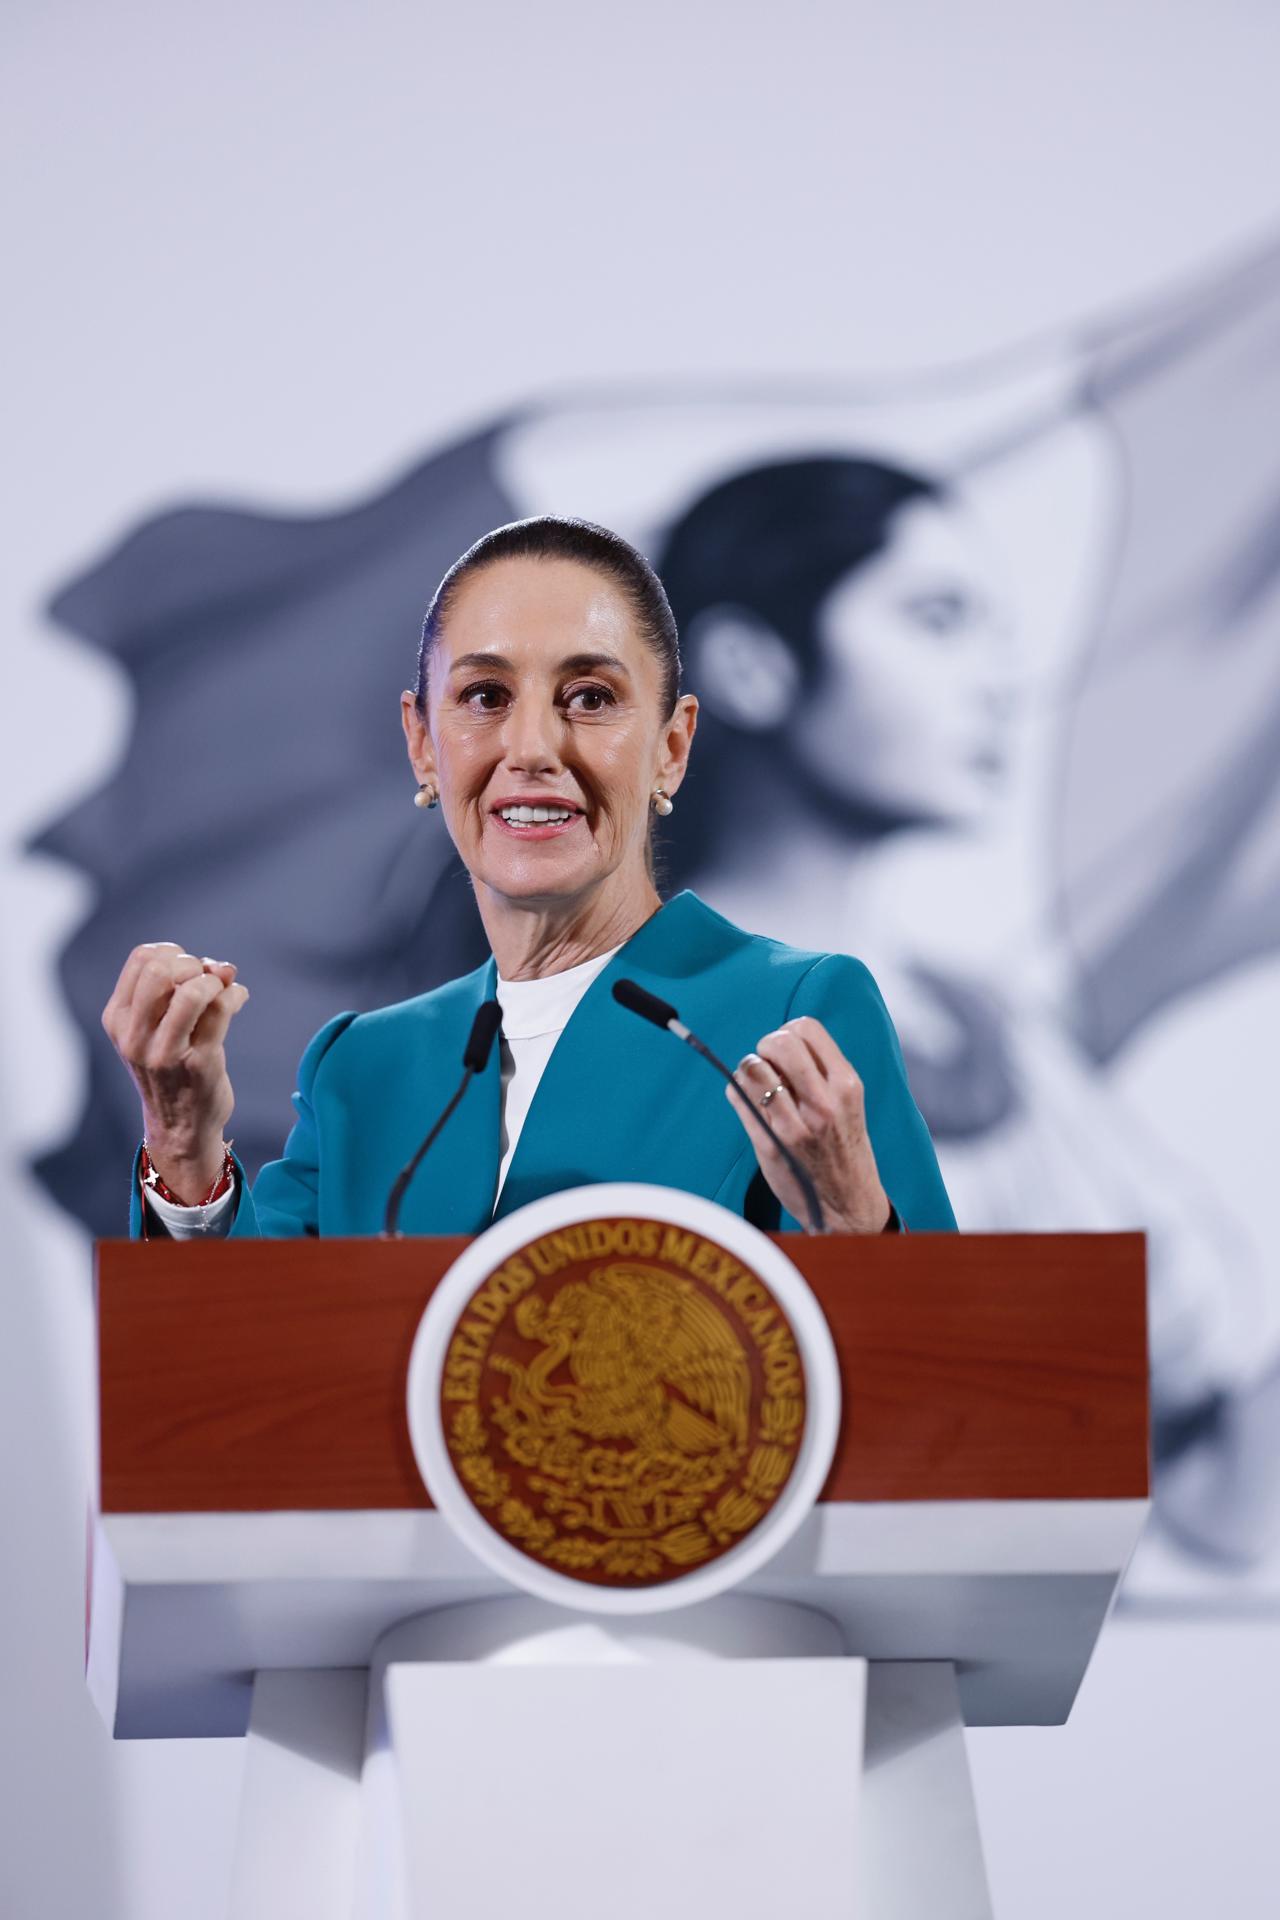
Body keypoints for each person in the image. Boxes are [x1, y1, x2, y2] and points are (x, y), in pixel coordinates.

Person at [101, 515, 955, 1243]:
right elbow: (243, 1359)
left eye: (588, 697)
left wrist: (856, 1222)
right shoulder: (364, 1068)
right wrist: (182, 1147)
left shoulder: (791, 1010)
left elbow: (949, 1370)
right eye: (484, 697)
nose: (533, 749)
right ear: (423, 744)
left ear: (672, 746)